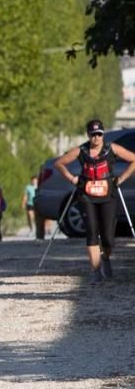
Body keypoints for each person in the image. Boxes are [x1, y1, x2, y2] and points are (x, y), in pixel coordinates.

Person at [53, 119, 135, 283]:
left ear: (103, 134)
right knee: (91, 232)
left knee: (108, 238)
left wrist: (121, 179)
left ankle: (105, 258)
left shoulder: (112, 148)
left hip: (108, 196)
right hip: (86, 196)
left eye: (99, 134)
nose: (96, 138)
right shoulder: (81, 151)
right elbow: (59, 163)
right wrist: (71, 178)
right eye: (93, 134)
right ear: (88, 135)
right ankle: (95, 270)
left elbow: (133, 159)